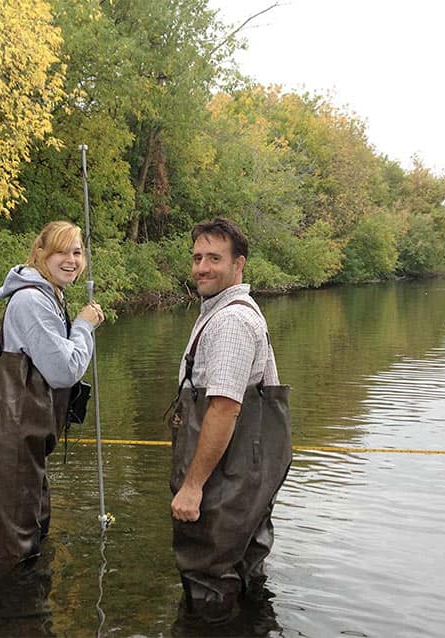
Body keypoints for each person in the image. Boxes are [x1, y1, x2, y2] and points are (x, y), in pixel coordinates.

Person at [168, 217, 292, 624]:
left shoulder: (231, 322)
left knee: (208, 573)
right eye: (197, 257)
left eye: (214, 258)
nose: (201, 267)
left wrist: (192, 487)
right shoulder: (225, 310)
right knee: (245, 565)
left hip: (229, 472)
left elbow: (224, 408)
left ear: (238, 265)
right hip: (248, 467)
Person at [0, 220, 104, 568]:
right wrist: (84, 326)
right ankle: (10, 619)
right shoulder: (32, 300)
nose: (71, 259)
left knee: (33, 540)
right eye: (61, 250)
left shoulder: (50, 295)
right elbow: (63, 372)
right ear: (40, 254)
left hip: (26, 445)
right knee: (12, 560)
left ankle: (26, 618)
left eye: (77, 251)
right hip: (9, 446)